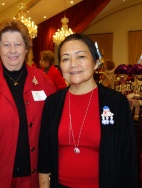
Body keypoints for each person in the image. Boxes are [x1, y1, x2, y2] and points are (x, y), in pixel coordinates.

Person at [0, 19, 56, 188]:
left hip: (37, 178)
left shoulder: (44, 82)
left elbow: (54, 127)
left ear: (26, 48)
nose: (12, 50)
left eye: (18, 44)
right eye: (6, 45)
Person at [38, 33, 138, 187]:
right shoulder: (53, 103)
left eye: (81, 57)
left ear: (96, 62)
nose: (73, 64)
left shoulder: (117, 103)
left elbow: (128, 158)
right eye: (65, 58)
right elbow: (44, 154)